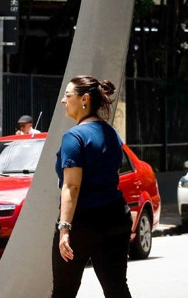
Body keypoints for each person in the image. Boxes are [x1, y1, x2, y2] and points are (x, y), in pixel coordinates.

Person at [52, 75, 132, 298]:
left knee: (63, 291)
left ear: (84, 98)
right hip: (116, 217)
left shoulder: (73, 137)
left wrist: (64, 228)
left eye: (67, 95)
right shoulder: (111, 133)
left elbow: (71, 187)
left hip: (83, 223)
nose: (63, 101)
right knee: (116, 287)